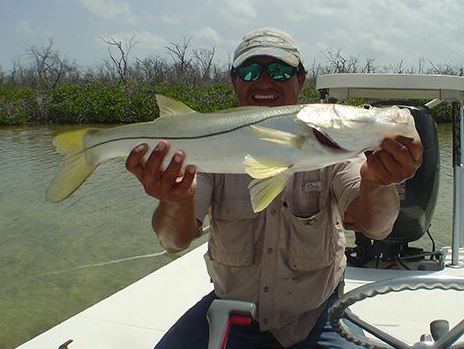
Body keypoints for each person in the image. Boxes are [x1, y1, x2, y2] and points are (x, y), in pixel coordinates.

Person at [125, 27, 423, 348]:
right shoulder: (211, 149)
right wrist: (175, 200)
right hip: (231, 312)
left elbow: (376, 228)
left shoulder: (334, 147)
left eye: (280, 71)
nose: (264, 82)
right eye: (251, 71)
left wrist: (378, 182)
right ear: (235, 81)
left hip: (315, 316)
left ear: (301, 80)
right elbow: (173, 241)